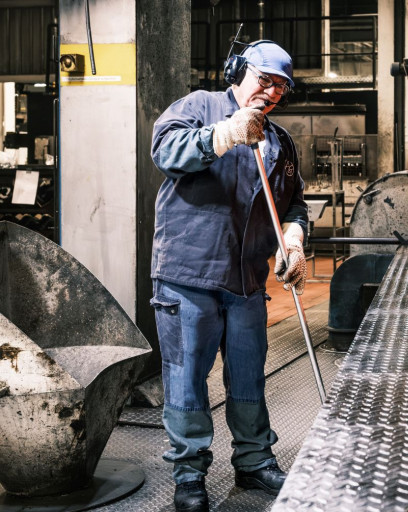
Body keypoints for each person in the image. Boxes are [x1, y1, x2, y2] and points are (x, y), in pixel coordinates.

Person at [150, 40, 308, 512]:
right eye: (265, 80)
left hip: (246, 283)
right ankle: (190, 474)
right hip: (189, 274)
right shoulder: (200, 107)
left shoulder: (279, 141)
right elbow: (165, 151)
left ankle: (254, 461)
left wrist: (294, 240)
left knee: (247, 377)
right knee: (186, 378)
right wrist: (222, 136)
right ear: (238, 73)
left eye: (281, 86)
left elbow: (293, 203)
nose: (273, 91)